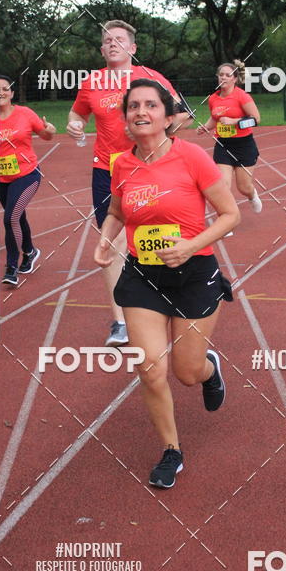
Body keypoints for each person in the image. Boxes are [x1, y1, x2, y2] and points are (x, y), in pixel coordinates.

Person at [94, 79, 240, 488]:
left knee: (186, 372)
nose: (141, 112)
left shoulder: (192, 157)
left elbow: (230, 215)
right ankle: (172, 451)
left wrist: (190, 245)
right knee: (150, 369)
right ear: (125, 118)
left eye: (150, 105)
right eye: (133, 106)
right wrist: (105, 240)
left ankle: (210, 370)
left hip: (193, 274)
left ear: (167, 115)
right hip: (143, 276)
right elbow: (119, 212)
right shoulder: (121, 163)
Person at [66, 20, 191, 345]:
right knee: (112, 243)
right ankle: (120, 321)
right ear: (101, 48)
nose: (112, 44)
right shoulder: (92, 82)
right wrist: (75, 125)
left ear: (132, 48)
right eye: (107, 40)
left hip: (150, 169)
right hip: (107, 171)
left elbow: (183, 114)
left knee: (157, 237)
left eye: (119, 40)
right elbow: (77, 113)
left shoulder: (150, 79)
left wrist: (153, 135)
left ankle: (164, 302)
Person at [0, 76, 55, 286]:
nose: (0, 93)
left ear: (11, 93)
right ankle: (30, 251)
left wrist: (50, 130)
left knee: (10, 218)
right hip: (1, 177)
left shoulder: (25, 113)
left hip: (27, 174)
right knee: (17, 217)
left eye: (4, 89)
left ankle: (11, 268)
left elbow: (45, 135)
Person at [197, 60, 262, 214]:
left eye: (227, 75)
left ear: (234, 79)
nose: (223, 78)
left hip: (244, 145)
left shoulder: (242, 96)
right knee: (223, 185)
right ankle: (226, 218)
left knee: (243, 187)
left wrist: (234, 122)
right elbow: (215, 117)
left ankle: (252, 195)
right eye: (221, 75)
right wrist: (206, 127)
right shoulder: (213, 98)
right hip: (223, 145)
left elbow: (256, 119)